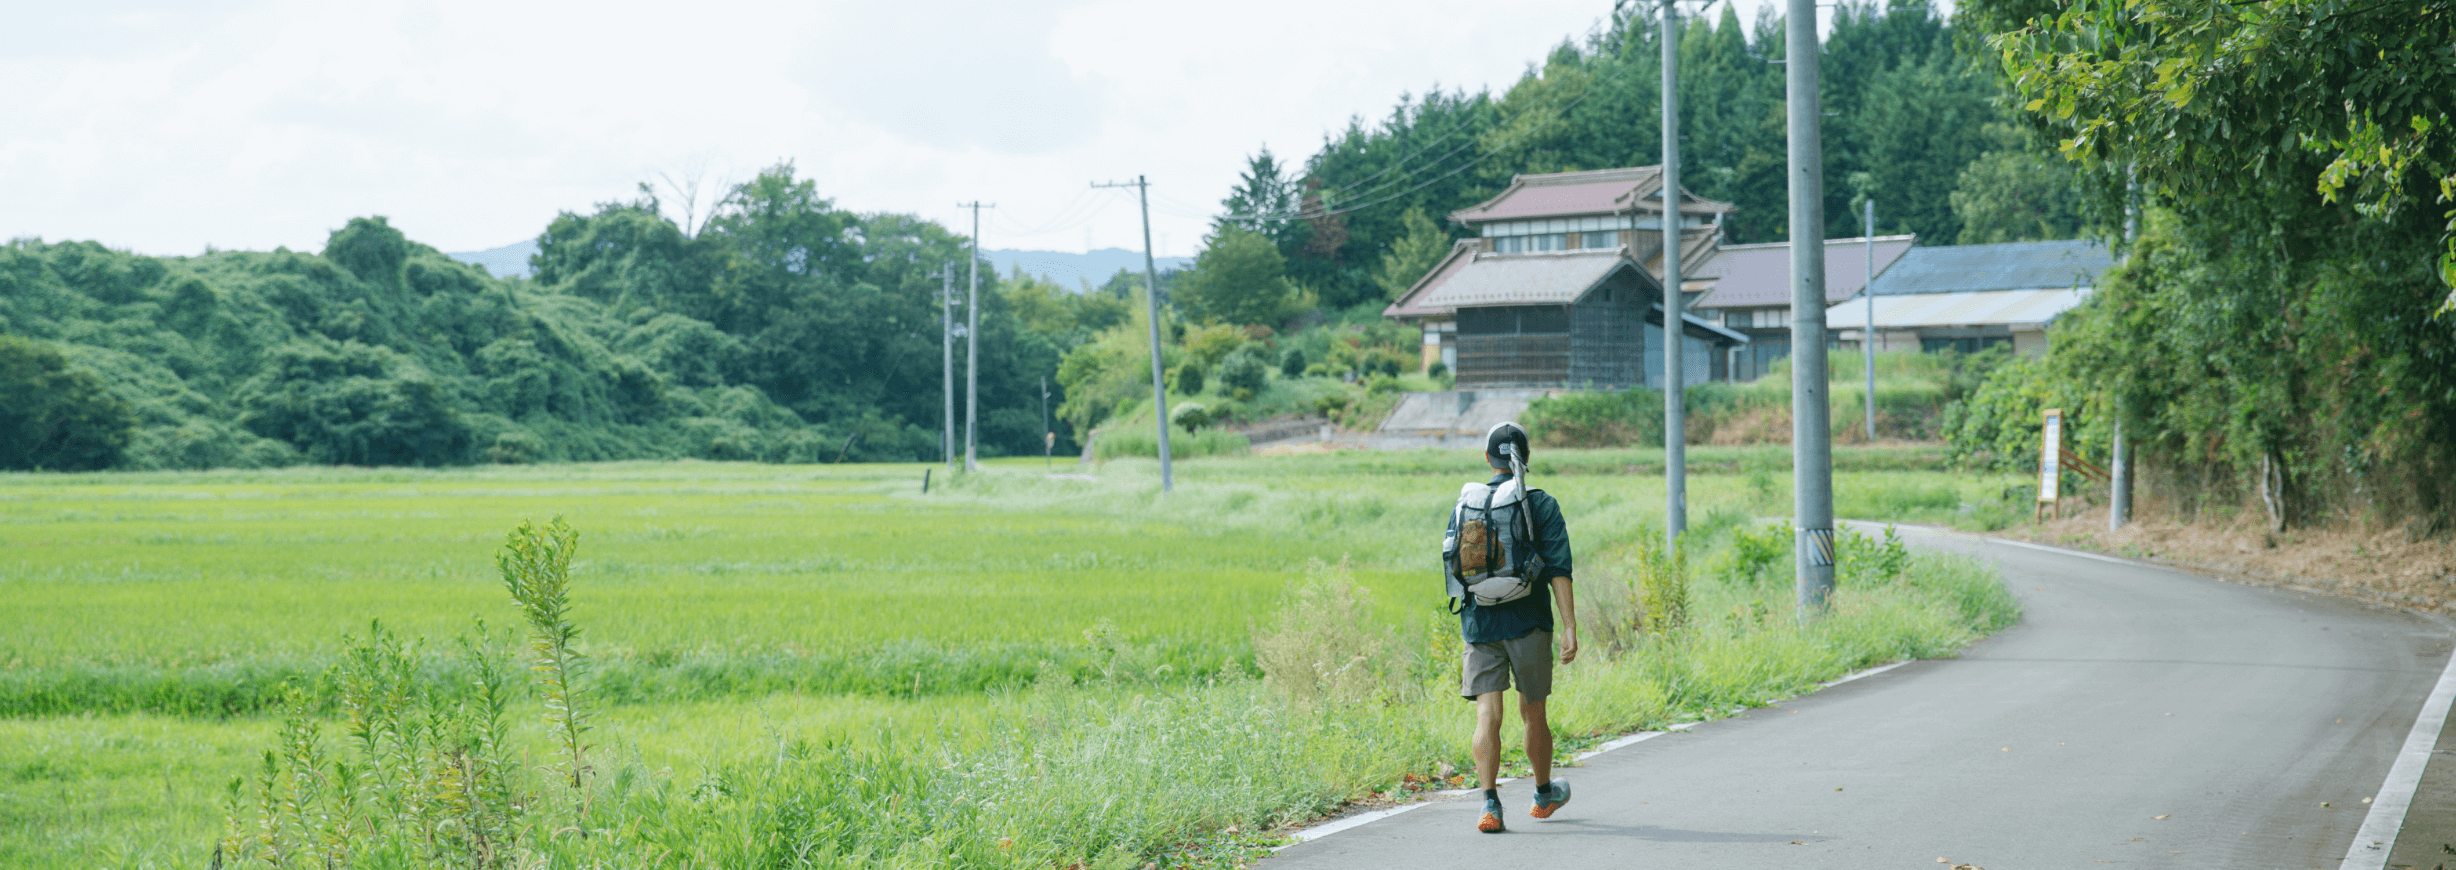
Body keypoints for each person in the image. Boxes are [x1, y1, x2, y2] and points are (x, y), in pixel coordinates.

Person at [1450, 421, 1577, 833]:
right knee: (1532, 711)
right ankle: (1543, 796)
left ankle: (1490, 805)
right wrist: (1570, 627)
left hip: (1480, 620)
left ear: (1487, 458)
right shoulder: (1540, 504)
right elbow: (1559, 570)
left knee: (1488, 713)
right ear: (1527, 459)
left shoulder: (1468, 502)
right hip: (1530, 621)